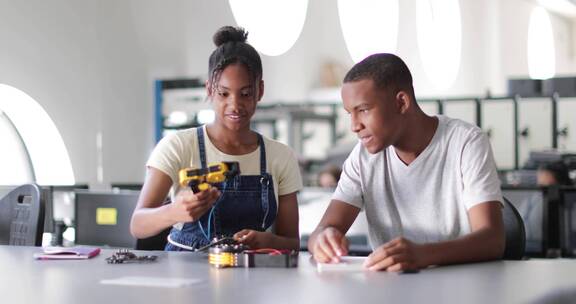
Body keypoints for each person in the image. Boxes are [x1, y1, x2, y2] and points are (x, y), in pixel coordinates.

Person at [308, 53, 505, 271]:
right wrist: (322, 239)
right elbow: (322, 230)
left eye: (363, 110)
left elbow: (492, 239)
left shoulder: (466, 142)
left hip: (460, 286)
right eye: (349, 114)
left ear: (401, 102)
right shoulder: (361, 157)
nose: (354, 126)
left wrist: (423, 254)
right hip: (391, 289)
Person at [130, 26, 302, 251]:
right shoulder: (178, 146)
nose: (235, 104)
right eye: (223, 93)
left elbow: (292, 243)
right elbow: (137, 225)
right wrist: (173, 212)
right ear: (209, 90)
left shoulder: (280, 156)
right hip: (185, 274)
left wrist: (268, 241)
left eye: (246, 93)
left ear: (260, 91)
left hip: (252, 275)